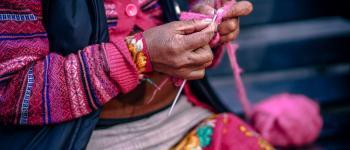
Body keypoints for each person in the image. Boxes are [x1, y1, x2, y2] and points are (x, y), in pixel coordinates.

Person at [0, 0, 272, 149]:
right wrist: (136, 55)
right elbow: (10, 92)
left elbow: (175, 47)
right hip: (88, 138)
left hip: (181, 118)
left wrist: (201, 27)